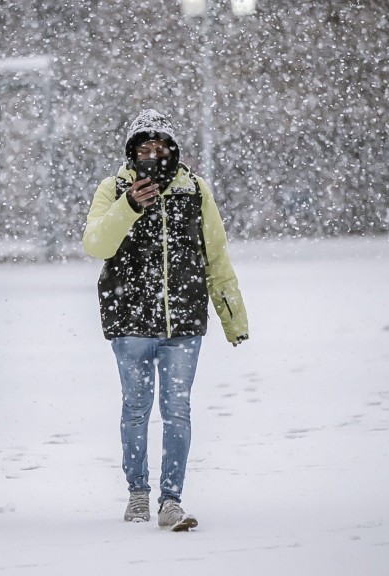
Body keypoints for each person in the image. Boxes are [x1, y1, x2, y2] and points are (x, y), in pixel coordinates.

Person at [83, 109, 249, 532]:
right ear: (132, 153)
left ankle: (171, 499)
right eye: (144, 148)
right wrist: (128, 206)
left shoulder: (194, 189)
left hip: (183, 323)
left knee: (177, 412)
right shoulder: (113, 188)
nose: (153, 155)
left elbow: (216, 255)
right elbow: (96, 243)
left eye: (160, 148)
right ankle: (137, 492)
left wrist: (233, 318)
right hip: (130, 322)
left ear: (173, 152)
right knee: (136, 410)